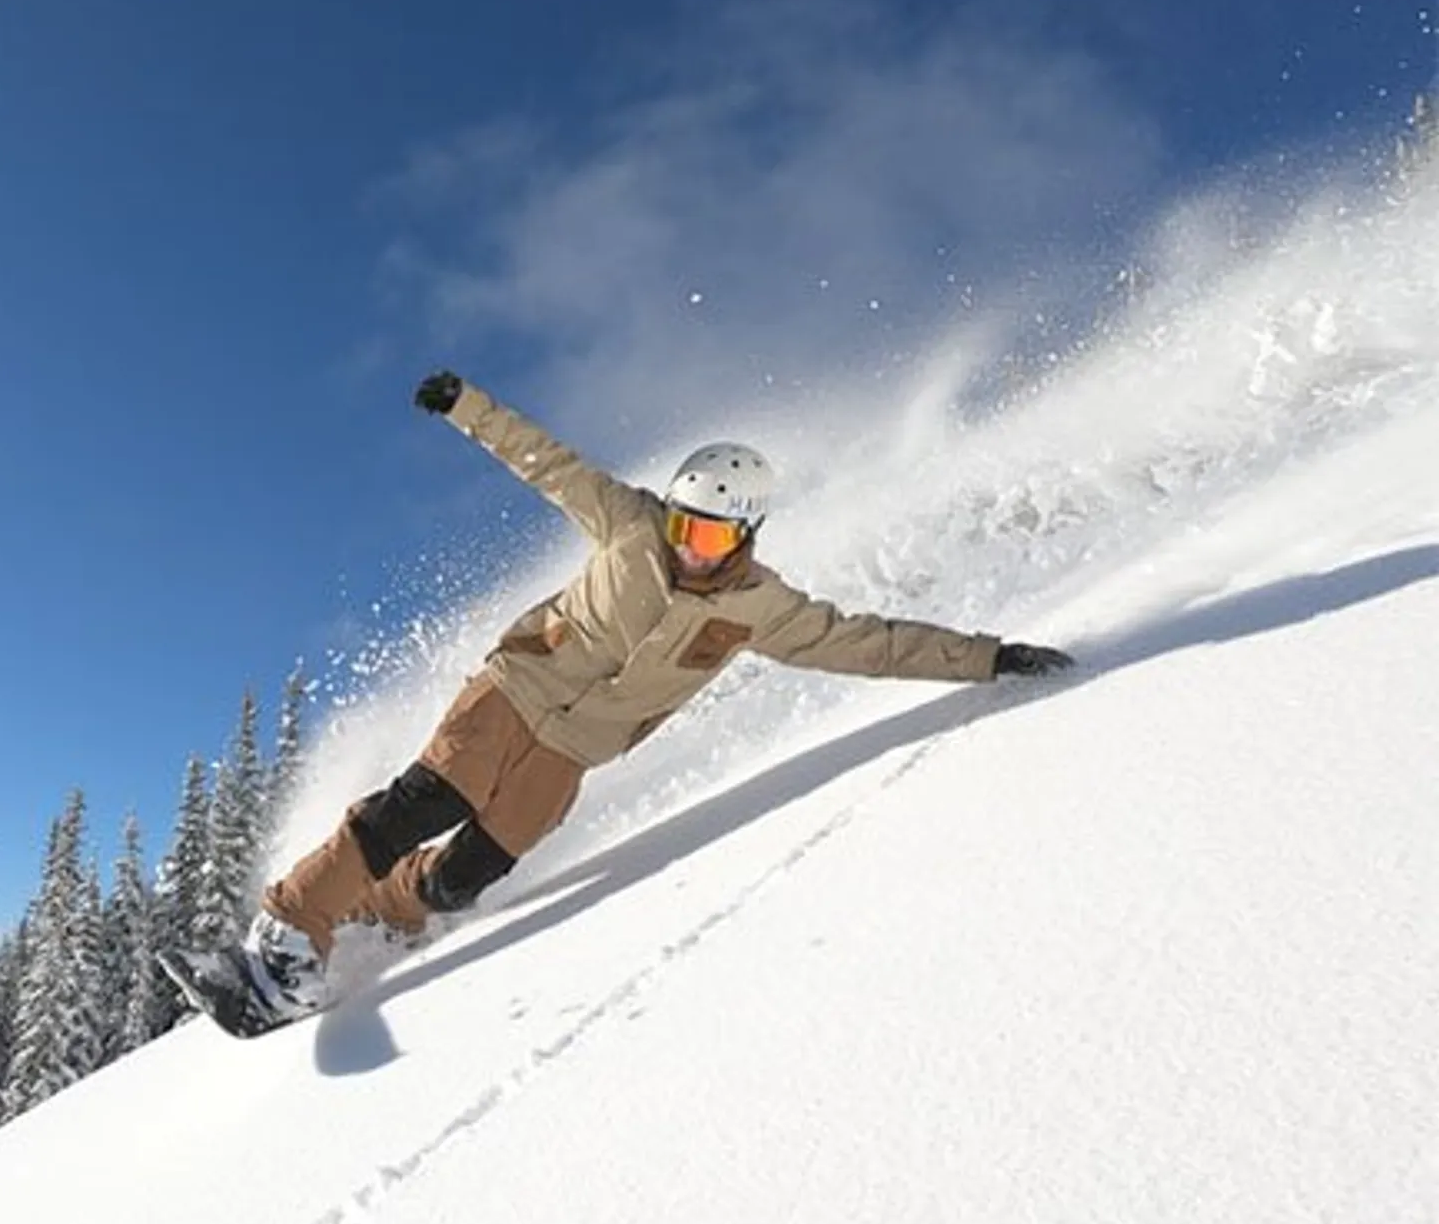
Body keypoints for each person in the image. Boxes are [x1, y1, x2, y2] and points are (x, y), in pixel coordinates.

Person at [237, 371, 1073, 1022]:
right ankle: (285, 936)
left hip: (574, 751)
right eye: (682, 525)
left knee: (465, 876)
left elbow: (866, 642)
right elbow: (545, 459)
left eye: (709, 535)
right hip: (516, 688)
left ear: (743, 535)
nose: (689, 549)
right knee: (416, 806)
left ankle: (383, 915)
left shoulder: (761, 608)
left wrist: (987, 658)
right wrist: (467, 405)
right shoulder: (628, 522)